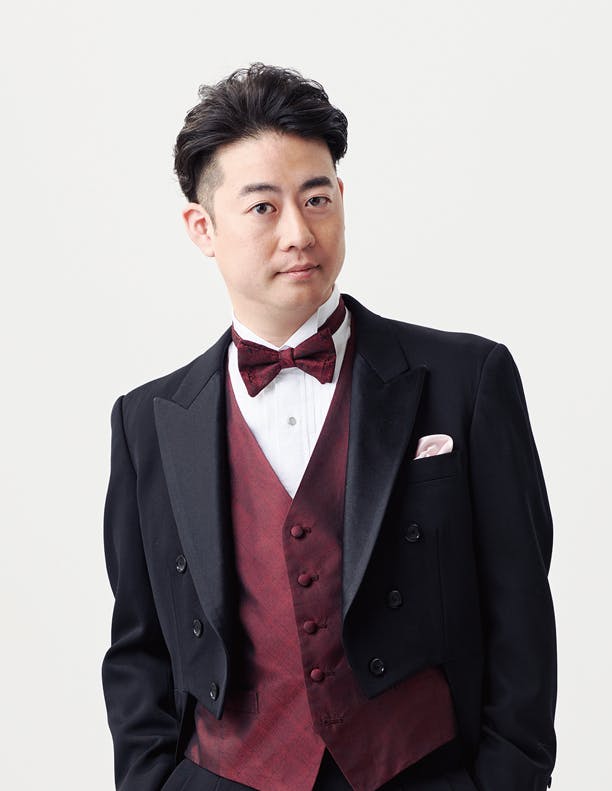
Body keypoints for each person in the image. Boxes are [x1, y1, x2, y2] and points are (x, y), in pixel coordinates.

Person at [101, 63, 557, 791]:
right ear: (202, 228)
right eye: (262, 207)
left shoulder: (467, 381)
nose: (298, 232)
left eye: (316, 198)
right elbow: (139, 647)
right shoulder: (146, 423)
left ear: (341, 197)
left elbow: (521, 615)